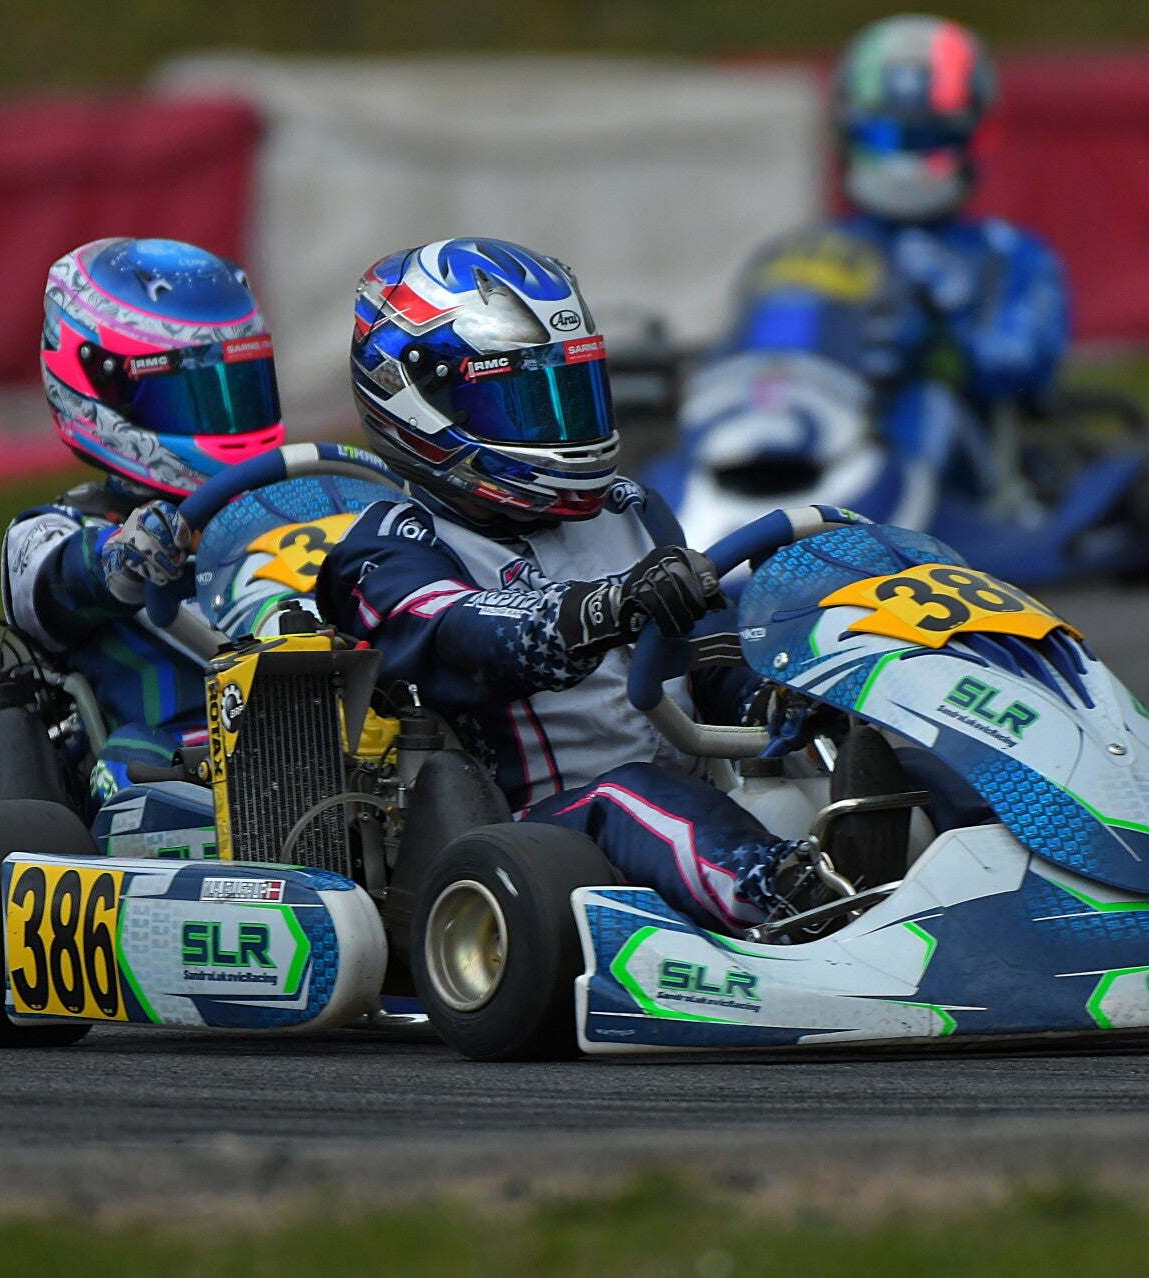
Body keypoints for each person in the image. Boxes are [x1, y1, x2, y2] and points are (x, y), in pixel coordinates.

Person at [316, 237, 824, 936]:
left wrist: (784, 693)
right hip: (528, 838)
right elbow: (459, 635)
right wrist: (606, 608)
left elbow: (709, 653)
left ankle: (938, 866)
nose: (559, 426)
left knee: (845, 738)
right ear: (418, 400)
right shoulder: (385, 547)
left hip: (692, 805)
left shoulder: (628, 509)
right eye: (522, 401)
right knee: (631, 797)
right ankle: (799, 907)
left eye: (570, 391)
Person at [3, 236, 391, 803]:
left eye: (240, 386)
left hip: (351, 714)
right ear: (96, 383)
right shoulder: (55, 528)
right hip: (189, 757)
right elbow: (51, 582)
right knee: (133, 766)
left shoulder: (300, 502)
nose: (226, 417)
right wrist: (120, 555)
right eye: (188, 395)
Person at [731, 15, 1068, 507]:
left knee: (927, 400)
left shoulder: (1008, 255)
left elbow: (1022, 363)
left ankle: (888, 516)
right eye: (886, 137)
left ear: (972, 136)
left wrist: (938, 339)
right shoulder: (807, 252)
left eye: (928, 141)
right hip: (808, 431)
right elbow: (753, 349)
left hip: (952, 475)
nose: (907, 164)